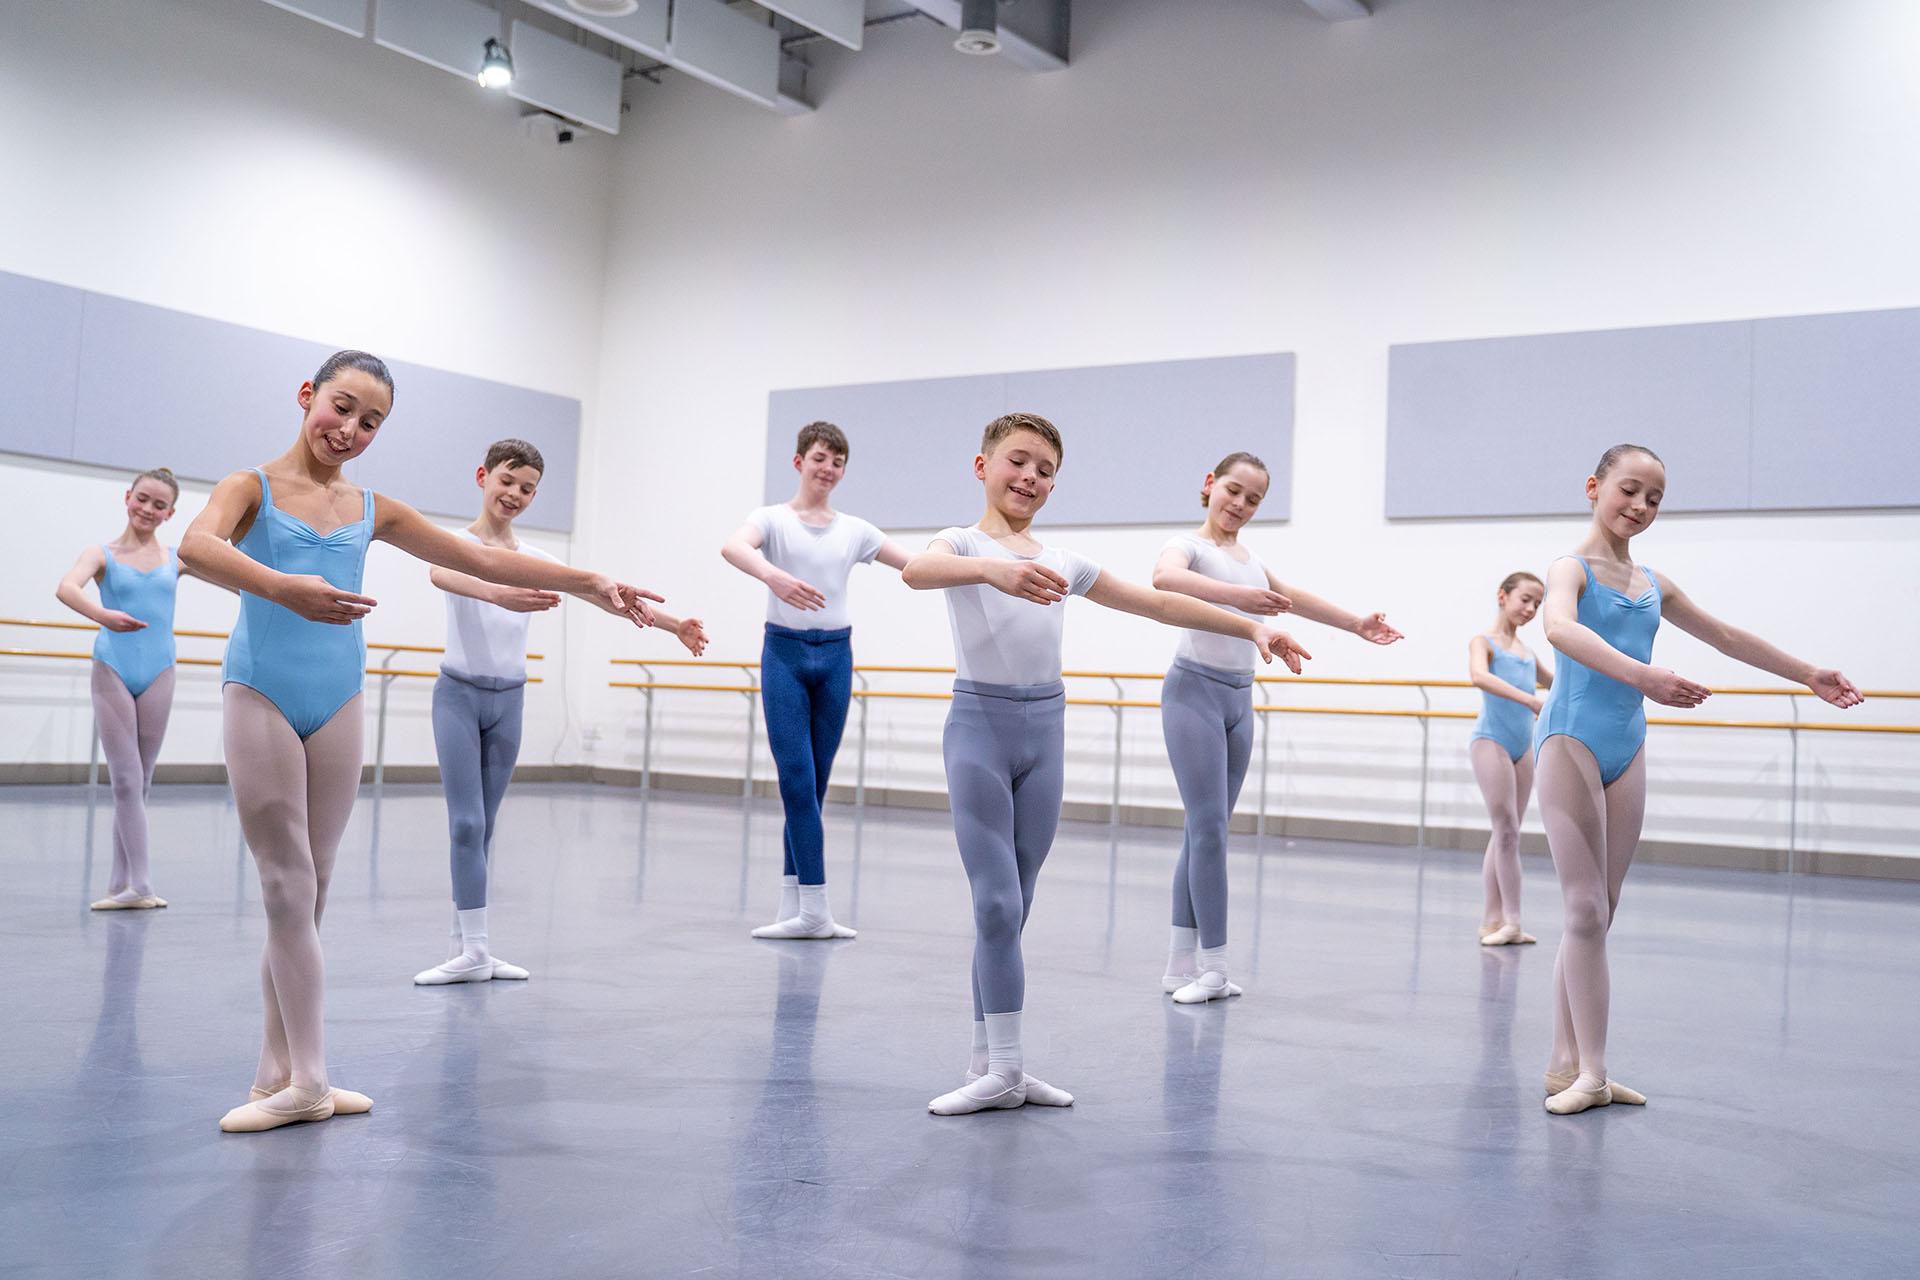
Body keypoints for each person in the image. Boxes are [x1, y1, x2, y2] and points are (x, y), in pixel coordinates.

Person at [180, 351, 659, 1133]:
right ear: (307, 396)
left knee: (314, 886)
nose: (351, 429)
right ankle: (310, 1080)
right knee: (286, 885)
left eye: (371, 422)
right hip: (260, 689)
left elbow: (481, 556)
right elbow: (196, 549)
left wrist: (592, 582)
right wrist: (280, 587)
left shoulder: (375, 507)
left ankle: (274, 1070)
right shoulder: (251, 487)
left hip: (336, 698)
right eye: (342, 407)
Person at [902, 413, 1310, 1116]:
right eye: (1018, 462)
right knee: (995, 903)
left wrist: (1252, 626)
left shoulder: (1065, 564)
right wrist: (992, 569)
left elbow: (1156, 603)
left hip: (1046, 732)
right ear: (984, 466)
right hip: (980, 730)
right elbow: (917, 571)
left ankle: (992, 1062)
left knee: (1015, 907)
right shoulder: (963, 542)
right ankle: (1004, 1067)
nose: (1030, 477)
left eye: (1045, 471)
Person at [1533, 443, 1862, 1115]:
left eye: (1654, 498)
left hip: (1627, 746)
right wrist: (1644, 675)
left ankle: (1564, 1061)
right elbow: (1559, 629)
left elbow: (1724, 636)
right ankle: (1591, 1073)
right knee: (1585, 910)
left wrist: (1806, 673)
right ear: (1594, 486)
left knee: (1604, 910)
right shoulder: (1570, 568)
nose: (1641, 506)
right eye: (1629, 489)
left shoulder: (1653, 581)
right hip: (1570, 741)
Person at [415, 438, 708, 985]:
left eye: (528, 489)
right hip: (458, 696)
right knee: (466, 821)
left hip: (509, 701)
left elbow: (605, 597)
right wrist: (498, 594)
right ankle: (472, 951)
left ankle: (471, 946)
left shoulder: (538, 562)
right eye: (507, 481)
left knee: (486, 827)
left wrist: (674, 627)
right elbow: (442, 575)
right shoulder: (454, 545)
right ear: (483, 477)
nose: (515, 494)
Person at [1152, 451, 1402, 1003]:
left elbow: (1289, 599)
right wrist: (1241, 599)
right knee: (1210, 829)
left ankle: (1178, 964)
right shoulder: (1187, 546)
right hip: (1192, 692)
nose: (1239, 505)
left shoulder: (1249, 557)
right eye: (1233, 491)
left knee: (1205, 830)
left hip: (1239, 700)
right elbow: (1163, 579)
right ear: (1209, 483)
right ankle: (1213, 966)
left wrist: (1355, 624)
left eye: (1254, 499)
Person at [721, 421, 909, 940]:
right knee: (796, 781)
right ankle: (816, 911)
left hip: (835, 658)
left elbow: (914, 567)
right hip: (784, 653)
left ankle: (793, 903)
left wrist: (980, 566)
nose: (829, 469)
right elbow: (734, 547)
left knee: (815, 786)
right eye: (821, 458)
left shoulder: (856, 530)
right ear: (799, 460)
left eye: (838, 462)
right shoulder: (773, 520)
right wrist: (773, 575)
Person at [55, 466, 222, 910]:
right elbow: (66, 587)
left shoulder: (175, 558)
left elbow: (235, 580)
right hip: (112, 666)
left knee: (139, 782)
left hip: (160, 671)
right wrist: (103, 615)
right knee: (126, 778)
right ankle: (143, 886)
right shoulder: (102, 554)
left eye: (159, 504)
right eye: (142, 499)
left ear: (170, 514)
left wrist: (281, 589)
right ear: (127, 498)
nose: (148, 509)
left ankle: (118, 882)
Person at [1467, 571, 1550, 947]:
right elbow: (1480, 677)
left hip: (1523, 747)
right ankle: (1512, 920)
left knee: (1505, 833)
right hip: (1491, 742)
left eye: (1537, 603)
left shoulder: (1528, 654)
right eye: (1525, 600)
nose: (1531, 609)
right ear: (1503, 596)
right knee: (1507, 830)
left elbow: (1560, 680)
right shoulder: (1483, 642)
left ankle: (1491, 921)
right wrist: (1530, 700)